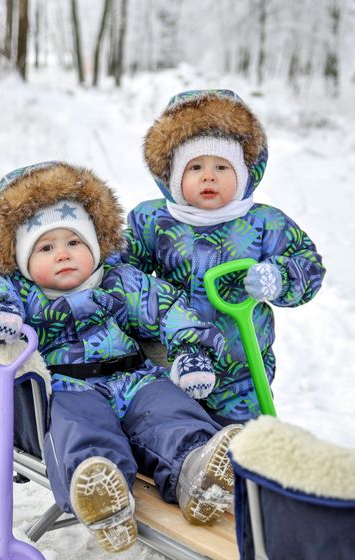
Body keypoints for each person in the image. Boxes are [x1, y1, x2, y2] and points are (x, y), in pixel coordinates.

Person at [0, 161, 240, 554]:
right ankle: (104, 495)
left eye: (75, 243)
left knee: (169, 410)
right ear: (21, 260)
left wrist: (192, 350)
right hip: (70, 386)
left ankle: (197, 470)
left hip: (135, 377)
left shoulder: (120, 281)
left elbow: (168, 308)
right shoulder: (23, 293)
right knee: (80, 430)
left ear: (95, 245)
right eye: (46, 248)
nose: (63, 255)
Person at [118, 89, 326, 424]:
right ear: (172, 176)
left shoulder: (263, 223)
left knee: (244, 441)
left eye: (222, 166)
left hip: (243, 369)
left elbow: (307, 265)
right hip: (171, 360)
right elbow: (124, 272)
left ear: (244, 173)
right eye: (195, 166)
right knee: (176, 432)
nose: (209, 176)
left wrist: (279, 277)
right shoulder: (154, 222)